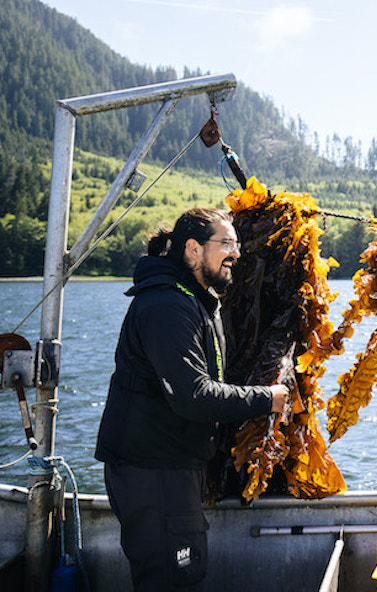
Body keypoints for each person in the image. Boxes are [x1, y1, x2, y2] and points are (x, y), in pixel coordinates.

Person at [95, 208, 289, 591]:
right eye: (226, 244)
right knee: (172, 580)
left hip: (167, 469)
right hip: (153, 472)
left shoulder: (193, 299)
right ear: (192, 249)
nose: (236, 253)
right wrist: (267, 399)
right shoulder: (167, 306)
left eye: (237, 244)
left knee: (178, 575)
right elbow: (193, 396)